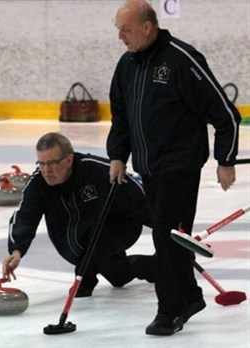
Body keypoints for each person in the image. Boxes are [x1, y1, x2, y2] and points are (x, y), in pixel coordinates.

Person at [107, 0, 241, 336]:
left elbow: (225, 114)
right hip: (148, 168)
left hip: (180, 167)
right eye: (118, 30)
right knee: (174, 240)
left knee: (165, 237)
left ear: (148, 27)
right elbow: (121, 116)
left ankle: (170, 310)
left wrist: (225, 160)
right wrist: (118, 155)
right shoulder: (126, 66)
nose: (120, 36)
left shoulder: (182, 59)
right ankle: (192, 297)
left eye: (126, 29)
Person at [2, 132, 156, 299]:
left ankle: (85, 280)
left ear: (69, 160)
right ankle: (159, 266)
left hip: (119, 227)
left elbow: (140, 200)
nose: (47, 170)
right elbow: (25, 216)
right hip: (74, 245)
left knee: (98, 237)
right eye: (42, 163)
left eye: (53, 163)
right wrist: (17, 250)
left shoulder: (96, 170)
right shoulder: (37, 184)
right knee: (118, 275)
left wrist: (169, 230)